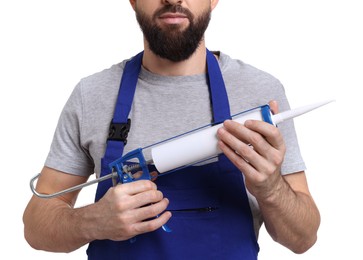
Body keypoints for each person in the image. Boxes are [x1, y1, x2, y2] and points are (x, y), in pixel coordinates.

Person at [23, 0, 320, 259]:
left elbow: (302, 239)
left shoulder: (259, 94)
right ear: (133, 0)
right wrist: (91, 221)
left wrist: (270, 188)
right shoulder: (93, 94)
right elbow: (36, 228)